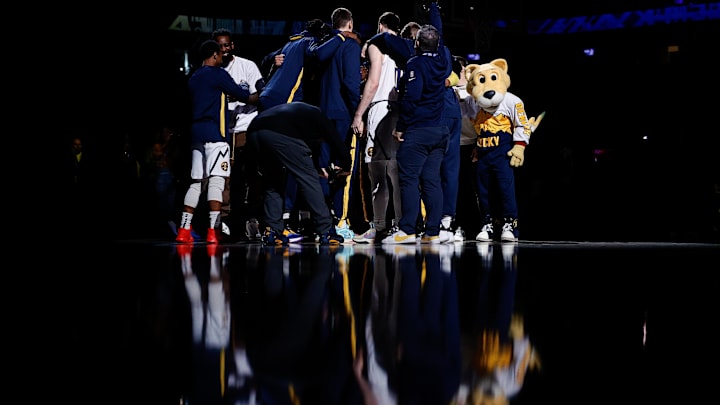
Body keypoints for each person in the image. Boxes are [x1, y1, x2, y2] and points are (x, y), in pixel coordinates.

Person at [382, 16, 452, 244]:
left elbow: (411, 99)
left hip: (419, 131)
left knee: (409, 179)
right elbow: (439, 40)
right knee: (431, 180)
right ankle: (432, 232)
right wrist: (434, 11)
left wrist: (401, 128)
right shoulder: (442, 61)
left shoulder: (415, 64)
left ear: (416, 44)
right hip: (440, 131)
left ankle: (408, 230)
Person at [175, 39, 252, 244]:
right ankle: (213, 231)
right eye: (220, 54)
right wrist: (261, 96)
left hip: (196, 135)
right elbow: (243, 95)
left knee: (196, 183)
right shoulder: (218, 74)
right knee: (217, 182)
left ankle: (183, 230)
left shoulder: (193, 78)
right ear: (215, 55)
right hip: (216, 135)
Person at [246, 102, 351, 246]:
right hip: (279, 132)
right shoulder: (320, 117)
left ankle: (272, 231)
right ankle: (326, 230)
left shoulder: (300, 116)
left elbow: (303, 157)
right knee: (309, 181)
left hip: (254, 131)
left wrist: (317, 169)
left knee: (273, 182)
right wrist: (346, 166)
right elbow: (338, 145)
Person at [308, 7, 363, 241]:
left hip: (321, 113)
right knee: (343, 168)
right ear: (349, 24)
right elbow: (351, 83)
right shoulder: (349, 45)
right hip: (342, 115)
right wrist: (358, 112)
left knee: (321, 168)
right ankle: (341, 221)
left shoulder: (324, 44)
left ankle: (322, 222)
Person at [351, 11, 404, 244]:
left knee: (377, 171)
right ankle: (401, 226)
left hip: (381, 107)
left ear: (380, 26)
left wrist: (359, 114)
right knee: (396, 172)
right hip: (401, 110)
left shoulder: (376, 44)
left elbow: (372, 83)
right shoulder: (406, 45)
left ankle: (379, 226)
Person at [212, 28, 266, 241]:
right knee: (223, 179)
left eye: (227, 46)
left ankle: (252, 219)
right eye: (220, 47)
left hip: (246, 128)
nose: (224, 50)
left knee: (251, 176)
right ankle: (224, 223)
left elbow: (261, 93)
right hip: (224, 132)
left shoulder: (247, 65)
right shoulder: (212, 70)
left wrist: (240, 96)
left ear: (232, 45)